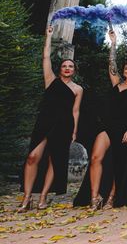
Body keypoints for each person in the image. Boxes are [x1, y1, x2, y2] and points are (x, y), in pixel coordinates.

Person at [73, 27, 127, 209]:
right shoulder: (117, 83)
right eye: (126, 68)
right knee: (96, 157)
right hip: (107, 126)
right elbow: (111, 66)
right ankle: (95, 197)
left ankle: (112, 196)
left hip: (124, 128)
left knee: (117, 163)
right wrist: (113, 44)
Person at [19, 25, 83, 212]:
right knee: (33, 158)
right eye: (64, 66)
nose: (67, 68)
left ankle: (44, 197)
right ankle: (27, 197)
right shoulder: (51, 80)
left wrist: (74, 131)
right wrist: (48, 37)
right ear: (60, 69)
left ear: (74, 70)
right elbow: (46, 57)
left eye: (71, 66)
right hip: (45, 123)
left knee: (54, 161)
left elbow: (76, 111)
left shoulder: (78, 89)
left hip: (64, 125)